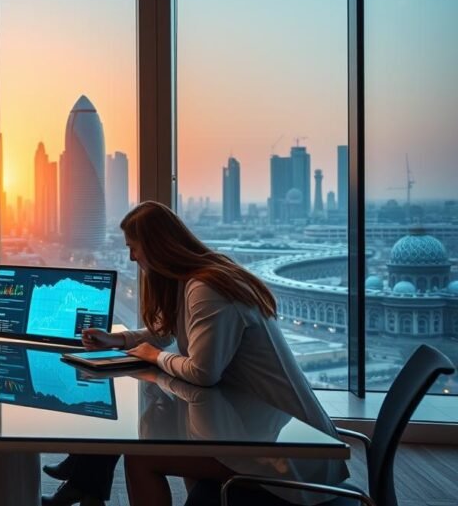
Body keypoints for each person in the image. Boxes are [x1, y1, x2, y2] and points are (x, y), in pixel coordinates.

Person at [42, 201, 348, 506]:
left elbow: (203, 373)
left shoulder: (207, 288)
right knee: (163, 427)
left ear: (157, 246)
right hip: (261, 428)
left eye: (134, 247)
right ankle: (86, 481)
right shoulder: (198, 279)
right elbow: (168, 332)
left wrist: (153, 356)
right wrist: (117, 340)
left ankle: (84, 479)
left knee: (141, 457)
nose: (132, 257)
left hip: (288, 456)